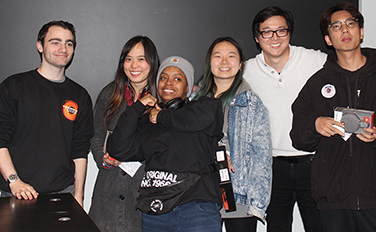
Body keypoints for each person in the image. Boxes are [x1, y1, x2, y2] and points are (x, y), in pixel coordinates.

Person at [290, 2, 376, 232]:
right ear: (328, 39)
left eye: (350, 24)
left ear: (361, 32)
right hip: (334, 200)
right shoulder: (317, 83)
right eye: (336, 27)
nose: (345, 30)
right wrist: (316, 125)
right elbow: (298, 136)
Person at [107, 56, 224, 232]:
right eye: (163, 77)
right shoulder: (148, 121)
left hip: (196, 209)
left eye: (177, 78)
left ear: (188, 87)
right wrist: (137, 108)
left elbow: (205, 118)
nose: (168, 83)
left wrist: (162, 116)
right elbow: (118, 149)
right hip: (156, 211)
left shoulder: (205, 107)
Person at [243, 6, 327, 231]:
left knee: (319, 225)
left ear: (289, 33)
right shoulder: (247, 71)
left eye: (281, 31)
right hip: (272, 166)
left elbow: (350, 60)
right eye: (267, 32)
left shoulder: (315, 61)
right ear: (257, 37)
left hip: (314, 161)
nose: (274, 37)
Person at [0, 20, 93, 207]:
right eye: (55, 42)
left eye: (69, 43)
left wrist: (78, 195)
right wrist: (14, 181)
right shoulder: (14, 86)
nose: (63, 48)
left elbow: (80, 150)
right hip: (16, 193)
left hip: (63, 193)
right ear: (40, 46)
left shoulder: (80, 95)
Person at [194, 37, 272, 232]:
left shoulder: (253, 104)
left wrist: (257, 204)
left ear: (240, 65)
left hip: (237, 196)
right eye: (218, 56)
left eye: (231, 56)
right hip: (200, 192)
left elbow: (261, 158)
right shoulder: (194, 100)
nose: (224, 62)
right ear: (209, 63)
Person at [88, 36, 160, 232]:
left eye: (141, 59)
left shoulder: (162, 97)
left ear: (152, 62)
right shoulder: (110, 94)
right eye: (128, 59)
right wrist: (102, 159)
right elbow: (96, 135)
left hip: (144, 190)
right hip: (108, 188)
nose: (134, 65)